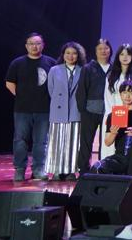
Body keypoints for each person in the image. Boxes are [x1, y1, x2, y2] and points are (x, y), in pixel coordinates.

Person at [5, 32, 57, 181]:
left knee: (41, 142)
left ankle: (38, 169)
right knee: (20, 140)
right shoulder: (17, 63)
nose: (35, 46)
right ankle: (20, 169)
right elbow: (9, 83)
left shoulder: (51, 63)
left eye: (38, 43)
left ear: (43, 45)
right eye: (31, 43)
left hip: (44, 109)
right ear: (26, 46)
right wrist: (22, 96)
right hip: (22, 110)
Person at [90, 79, 132, 177]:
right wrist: (113, 133)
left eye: (131, 93)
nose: (127, 96)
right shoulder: (113, 115)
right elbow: (107, 142)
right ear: (120, 95)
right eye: (124, 93)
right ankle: (121, 178)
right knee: (97, 168)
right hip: (120, 156)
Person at [45, 42, 86, 181]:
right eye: (67, 53)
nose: (70, 56)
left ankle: (71, 171)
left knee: (73, 143)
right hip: (58, 110)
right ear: (63, 55)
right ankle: (56, 170)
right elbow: (51, 89)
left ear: (78, 55)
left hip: (75, 110)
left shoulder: (83, 70)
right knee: (56, 142)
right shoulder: (54, 70)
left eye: (74, 53)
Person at [76, 38, 112, 175]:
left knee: (106, 142)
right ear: (96, 51)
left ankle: (103, 168)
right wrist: (82, 110)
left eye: (106, 48)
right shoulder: (88, 68)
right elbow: (81, 90)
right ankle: (83, 170)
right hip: (90, 110)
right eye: (100, 49)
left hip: (108, 111)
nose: (103, 51)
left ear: (110, 50)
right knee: (86, 142)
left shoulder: (114, 68)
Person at [103, 43, 132, 159]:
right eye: (122, 54)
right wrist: (110, 115)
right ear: (118, 56)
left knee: (127, 143)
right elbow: (108, 96)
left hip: (131, 113)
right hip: (115, 113)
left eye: (128, 54)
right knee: (111, 142)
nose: (125, 57)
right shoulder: (111, 74)